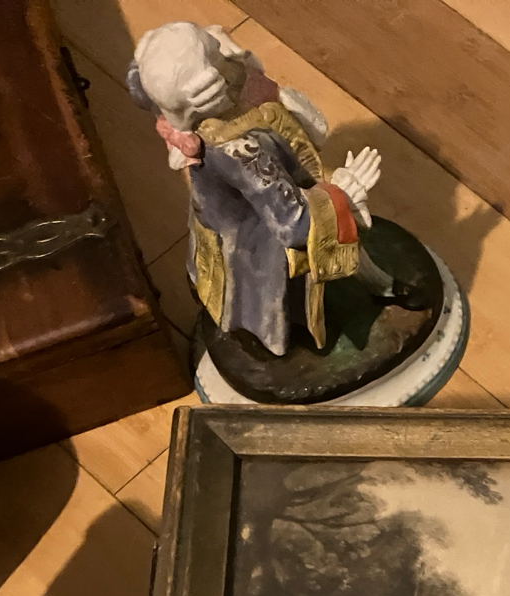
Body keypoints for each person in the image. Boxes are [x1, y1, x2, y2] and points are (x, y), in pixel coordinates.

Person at [127, 22, 424, 355]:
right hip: (258, 235)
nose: (226, 49)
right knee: (275, 300)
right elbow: (294, 224)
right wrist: (343, 191)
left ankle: (377, 282)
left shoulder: (216, 95)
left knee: (344, 220)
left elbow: (138, 79)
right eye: (217, 53)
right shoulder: (239, 153)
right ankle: (273, 344)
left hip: (286, 180)